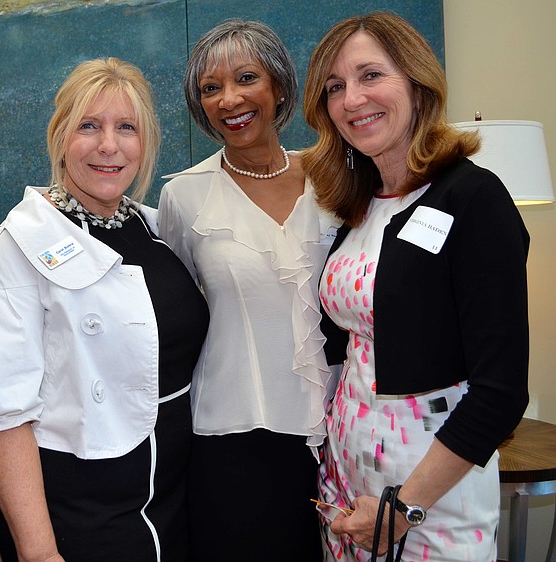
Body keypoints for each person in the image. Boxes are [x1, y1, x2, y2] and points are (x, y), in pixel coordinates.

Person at [301, 11, 529, 561]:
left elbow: (500, 393)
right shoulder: (357, 206)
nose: (352, 99)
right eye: (335, 87)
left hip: (429, 494)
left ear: (417, 83)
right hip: (349, 482)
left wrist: (404, 509)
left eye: (371, 75)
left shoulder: (473, 198)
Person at [0, 57, 209, 562]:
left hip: (174, 502)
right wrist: (39, 552)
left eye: (125, 127)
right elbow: (6, 414)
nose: (109, 145)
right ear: (61, 136)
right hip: (82, 513)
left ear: (144, 142)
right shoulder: (21, 244)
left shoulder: (157, 230)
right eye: (89, 126)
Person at [158, 19, 341, 561]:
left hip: (340, 428)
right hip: (232, 435)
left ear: (279, 87)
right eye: (210, 89)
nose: (229, 99)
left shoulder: (335, 176)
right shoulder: (184, 196)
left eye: (245, 78)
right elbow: (175, 314)